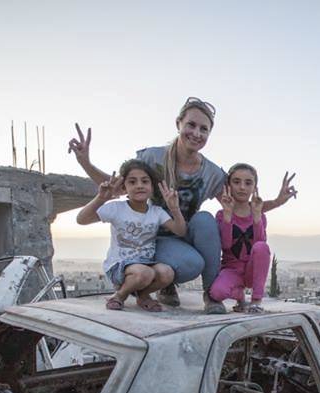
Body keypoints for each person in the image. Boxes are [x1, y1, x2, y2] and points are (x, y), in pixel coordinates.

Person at [68, 97, 298, 314]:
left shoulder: (212, 173)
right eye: (191, 125)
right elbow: (118, 188)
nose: (196, 133)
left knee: (206, 220)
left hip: (183, 233)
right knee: (190, 262)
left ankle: (211, 294)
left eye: (204, 129)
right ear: (178, 124)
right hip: (151, 236)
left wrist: (277, 202)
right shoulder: (153, 157)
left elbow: (240, 208)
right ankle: (163, 284)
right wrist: (85, 163)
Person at [75, 159, 186, 311]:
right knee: (144, 273)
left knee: (167, 273)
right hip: (119, 266)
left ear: (152, 187)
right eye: (132, 182)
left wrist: (174, 209)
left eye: (145, 181)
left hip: (146, 265)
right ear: (124, 187)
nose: (139, 185)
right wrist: (101, 198)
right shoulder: (117, 208)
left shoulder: (156, 212)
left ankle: (143, 295)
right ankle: (119, 295)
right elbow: (82, 219)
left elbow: (180, 230)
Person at [209, 164, 276, 313]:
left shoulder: (260, 215)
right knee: (216, 293)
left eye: (248, 183)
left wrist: (257, 216)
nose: (242, 187)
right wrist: (228, 215)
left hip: (252, 270)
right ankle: (240, 295)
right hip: (232, 269)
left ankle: (256, 301)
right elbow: (226, 245)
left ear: (254, 187)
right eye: (236, 182)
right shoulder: (221, 214)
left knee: (261, 247)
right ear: (229, 185)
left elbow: (260, 245)